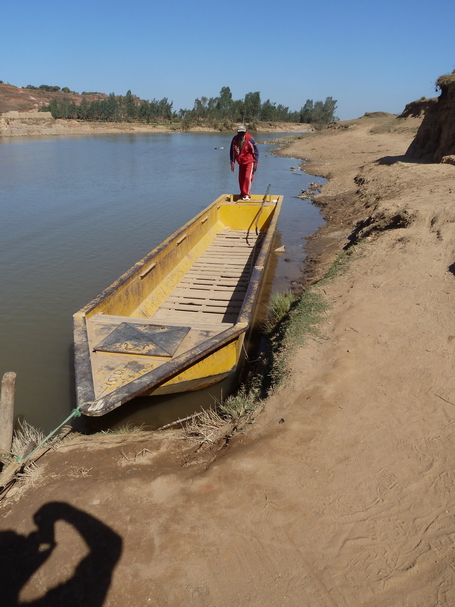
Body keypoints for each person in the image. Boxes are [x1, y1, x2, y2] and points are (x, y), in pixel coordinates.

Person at [230, 125, 259, 200]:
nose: (241, 134)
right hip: (241, 162)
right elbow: (232, 152)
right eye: (240, 132)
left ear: (245, 132)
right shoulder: (234, 140)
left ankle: (247, 195)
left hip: (249, 161)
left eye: (243, 132)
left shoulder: (250, 139)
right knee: (241, 178)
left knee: (247, 177)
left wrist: (255, 163)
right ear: (237, 132)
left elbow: (256, 152)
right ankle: (242, 194)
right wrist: (232, 164)